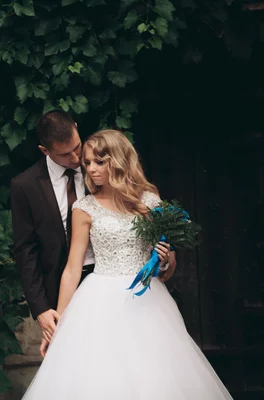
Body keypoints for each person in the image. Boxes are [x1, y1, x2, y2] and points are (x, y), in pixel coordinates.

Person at [21, 130, 232, 399]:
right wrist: (57, 328)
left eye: (99, 161)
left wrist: (166, 259)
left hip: (148, 301)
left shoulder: (149, 203)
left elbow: (167, 269)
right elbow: (73, 268)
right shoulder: (85, 208)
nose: (91, 169)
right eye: (87, 163)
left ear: (118, 160)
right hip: (99, 302)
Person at [10, 110, 176, 342]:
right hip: (79, 289)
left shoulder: (102, 166)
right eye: (66, 154)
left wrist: (165, 259)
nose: (79, 161)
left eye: (77, 148)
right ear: (45, 151)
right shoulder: (25, 186)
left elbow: (156, 246)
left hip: (135, 289)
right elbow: (26, 250)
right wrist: (42, 310)